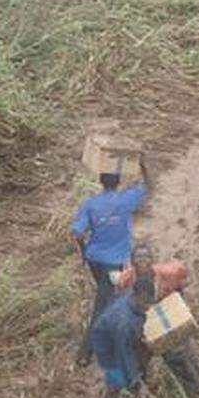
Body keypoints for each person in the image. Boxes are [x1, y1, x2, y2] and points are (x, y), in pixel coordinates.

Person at [71, 157, 151, 366]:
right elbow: (148, 185)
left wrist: (83, 251)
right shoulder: (126, 200)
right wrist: (141, 163)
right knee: (105, 305)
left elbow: (77, 232)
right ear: (118, 181)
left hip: (94, 260)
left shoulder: (91, 203)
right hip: (114, 264)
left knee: (110, 297)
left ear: (100, 181)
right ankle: (85, 353)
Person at [113, 241, 199, 398]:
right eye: (138, 257)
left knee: (185, 362)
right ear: (132, 261)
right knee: (137, 371)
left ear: (153, 260)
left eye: (146, 257)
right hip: (141, 328)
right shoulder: (125, 281)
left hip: (165, 324)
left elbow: (180, 286)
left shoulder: (169, 273)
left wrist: (176, 310)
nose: (142, 260)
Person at [88, 275, 157, 398]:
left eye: (150, 302)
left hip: (109, 338)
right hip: (111, 350)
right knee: (141, 397)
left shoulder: (130, 298)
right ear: (135, 295)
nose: (147, 307)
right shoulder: (124, 322)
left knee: (114, 387)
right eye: (144, 303)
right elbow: (124, 356)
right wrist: (138, 382)